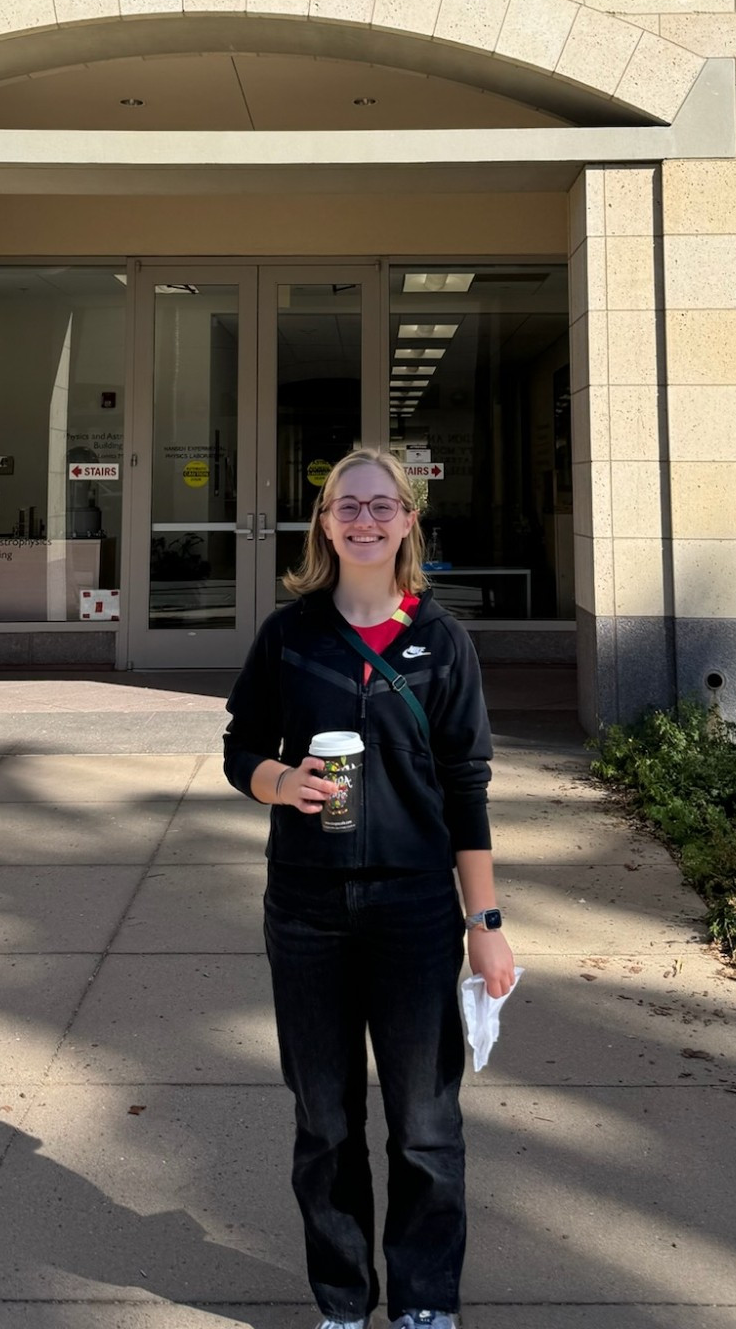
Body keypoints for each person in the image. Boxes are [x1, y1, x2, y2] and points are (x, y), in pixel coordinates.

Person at [223, 446, 516, 1329]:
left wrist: (486, 920)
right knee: (325, 1120)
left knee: (426, 1124)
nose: (363, 520)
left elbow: (466, 786)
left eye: (381, 505)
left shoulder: (444, 640)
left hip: (416, 909)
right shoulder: (290, 634)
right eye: (346, 505)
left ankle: (425, 1306)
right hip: (307, 909)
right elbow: (242, 747)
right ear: (324, 522)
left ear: (408, 522)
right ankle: (343, 1303)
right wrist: (283, 783)